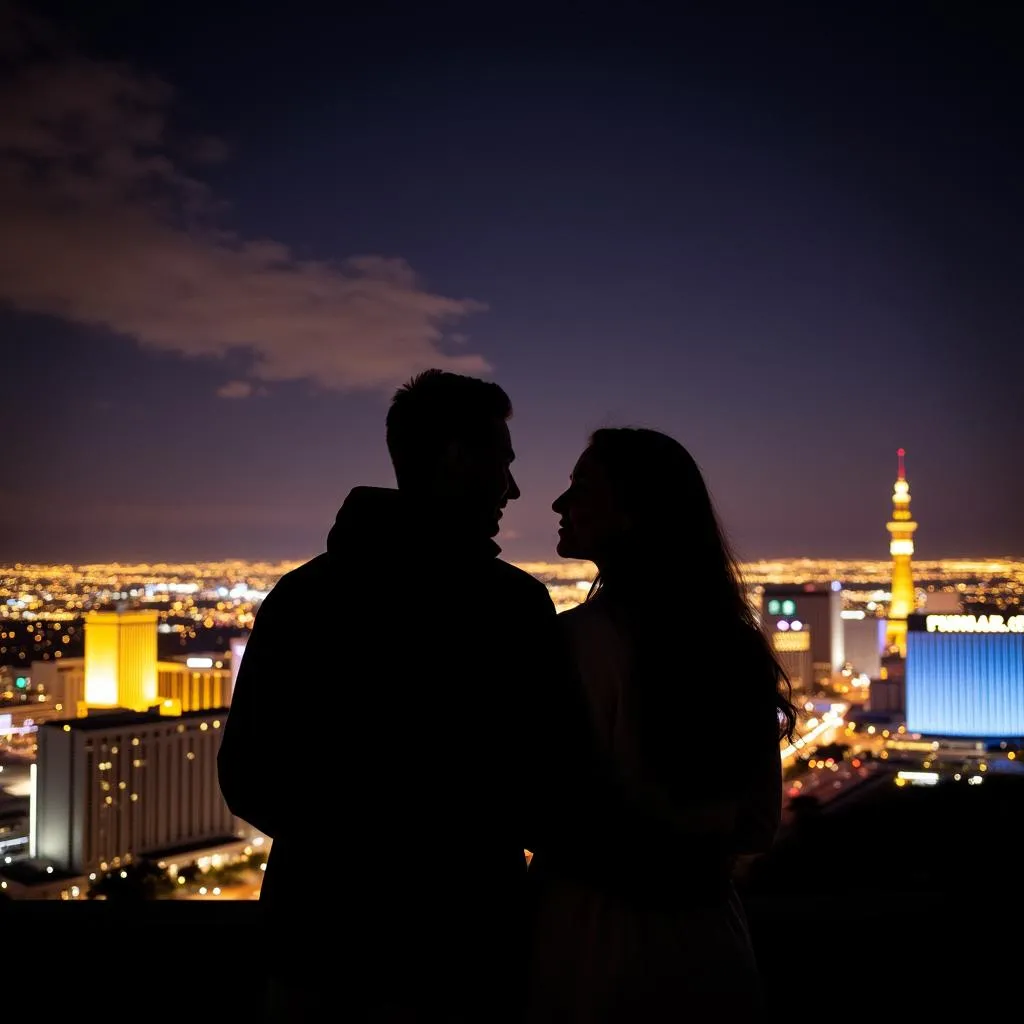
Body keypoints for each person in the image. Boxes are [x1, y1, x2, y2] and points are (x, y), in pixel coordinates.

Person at [217, 369, 562, 1022]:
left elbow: (249, 778)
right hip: (464, 951)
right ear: (457, 458)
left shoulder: (303, 599)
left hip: (318, 943)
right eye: (502, 462)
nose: (513, 489)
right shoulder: (508, 607)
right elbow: (544, 783)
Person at [526, 427, 799, 1022]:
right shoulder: (732, 646)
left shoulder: (572, 644)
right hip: (711, 950)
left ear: (633, 513)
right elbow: (757, 827)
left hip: (588, 948)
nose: (558, 504)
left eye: (581, 488)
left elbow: (538, 811)